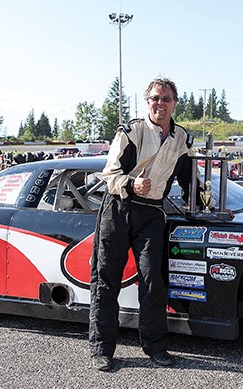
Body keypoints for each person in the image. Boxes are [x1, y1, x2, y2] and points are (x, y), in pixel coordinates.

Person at [89, 77, 198, 372]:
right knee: (106, 279)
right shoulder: (131, 131)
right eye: (154, 98)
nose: (159, 104)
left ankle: (155, 347)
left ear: (174, 103)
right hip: (119, 206)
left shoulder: (182, 140)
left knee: (153, 281)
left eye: (165, 99)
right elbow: (109, 175)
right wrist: (130, 182)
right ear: (146, 101)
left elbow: (191, 183)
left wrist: (203, 205)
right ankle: (102, 349)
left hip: (151, 213)